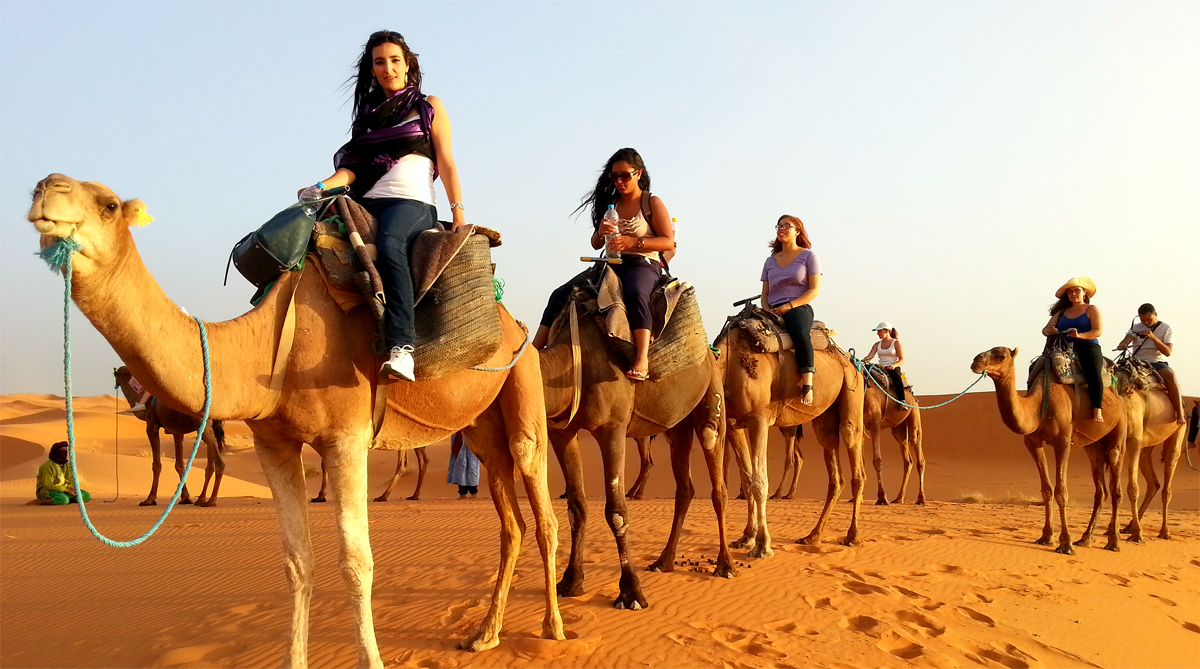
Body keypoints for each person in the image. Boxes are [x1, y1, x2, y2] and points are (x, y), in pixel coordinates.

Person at [301, 31, 467, 382]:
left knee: (391, 245)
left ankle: (402, 347)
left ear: (408, 65)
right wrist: (319, 187)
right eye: (380, 62)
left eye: (394, 60)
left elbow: (447, 162)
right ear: (372, 70)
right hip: (367, 202)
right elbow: (352, 170)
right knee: (310, 237)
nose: (388, 67)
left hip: (412, 203)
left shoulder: (429, 106)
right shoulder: (367, 118)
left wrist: (458, 212)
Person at [531, 148, 676, 381]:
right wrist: (601, 232)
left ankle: (642, 358)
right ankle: (534, 351)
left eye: (625, 175)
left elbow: (668, 241)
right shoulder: (611, 205)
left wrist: (634, 242)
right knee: (560, 293)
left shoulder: (651, 202)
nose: (619, 181)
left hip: (643, 262)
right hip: (610, 262)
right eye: (614, 176)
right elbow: (595, 243)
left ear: (638, 173)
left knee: (636, 292)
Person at [761, 215, 822, 405]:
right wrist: (767, 310)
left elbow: (814, 289)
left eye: (787, 225)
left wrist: (789, 306)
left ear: (798, 231)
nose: (781, 229)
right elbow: (765, 293)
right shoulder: (770, 261)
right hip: (772, 309)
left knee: (800, 333)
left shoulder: (808, 256)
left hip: (798, 307)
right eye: (779, 226)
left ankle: (807, 382)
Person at [1042, 276, 1105, 423]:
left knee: (1093, 372)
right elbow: (1045, 330)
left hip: (1087, 346)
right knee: (1039, 367)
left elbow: (1097, 331)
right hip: (1062, 348)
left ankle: (1097, 408)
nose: (1073, 294)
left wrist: (1080, 336)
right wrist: (1049, 330)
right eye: (1070, 292)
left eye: (1077, 291)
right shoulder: (1061, 312)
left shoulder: (1091, 309)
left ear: (1084, 293)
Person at [1115, 303, 1184, 424]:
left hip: (1156, 362)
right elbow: (1125, 341)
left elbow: (1168, 352)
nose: (1146, 323)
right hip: (1136, 362)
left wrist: (1153, 338)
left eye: (1149, 319)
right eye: (1143, 320)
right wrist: (1123, 345)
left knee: (1170, 376)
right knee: (1114, 373)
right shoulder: (1136, 327)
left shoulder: (1166, 329)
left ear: (1155, 314)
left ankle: (1180, 413)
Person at [862, 322, 906, 404]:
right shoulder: (877, 344)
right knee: (865, 371)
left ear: (887, 331)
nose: (877, 333)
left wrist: (893, 365)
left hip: (892, 367)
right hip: (880, 367)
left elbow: (901, 359)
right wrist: (861, 361)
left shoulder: (896, 343)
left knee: (896, 377)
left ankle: (902, 400)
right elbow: (870, 356)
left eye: (879, 331)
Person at [446, 432, 479, 498]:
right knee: (460, 466)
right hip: (459, 437)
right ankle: (462, 492)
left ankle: (473, 492)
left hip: (472, 436)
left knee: (472, 465)